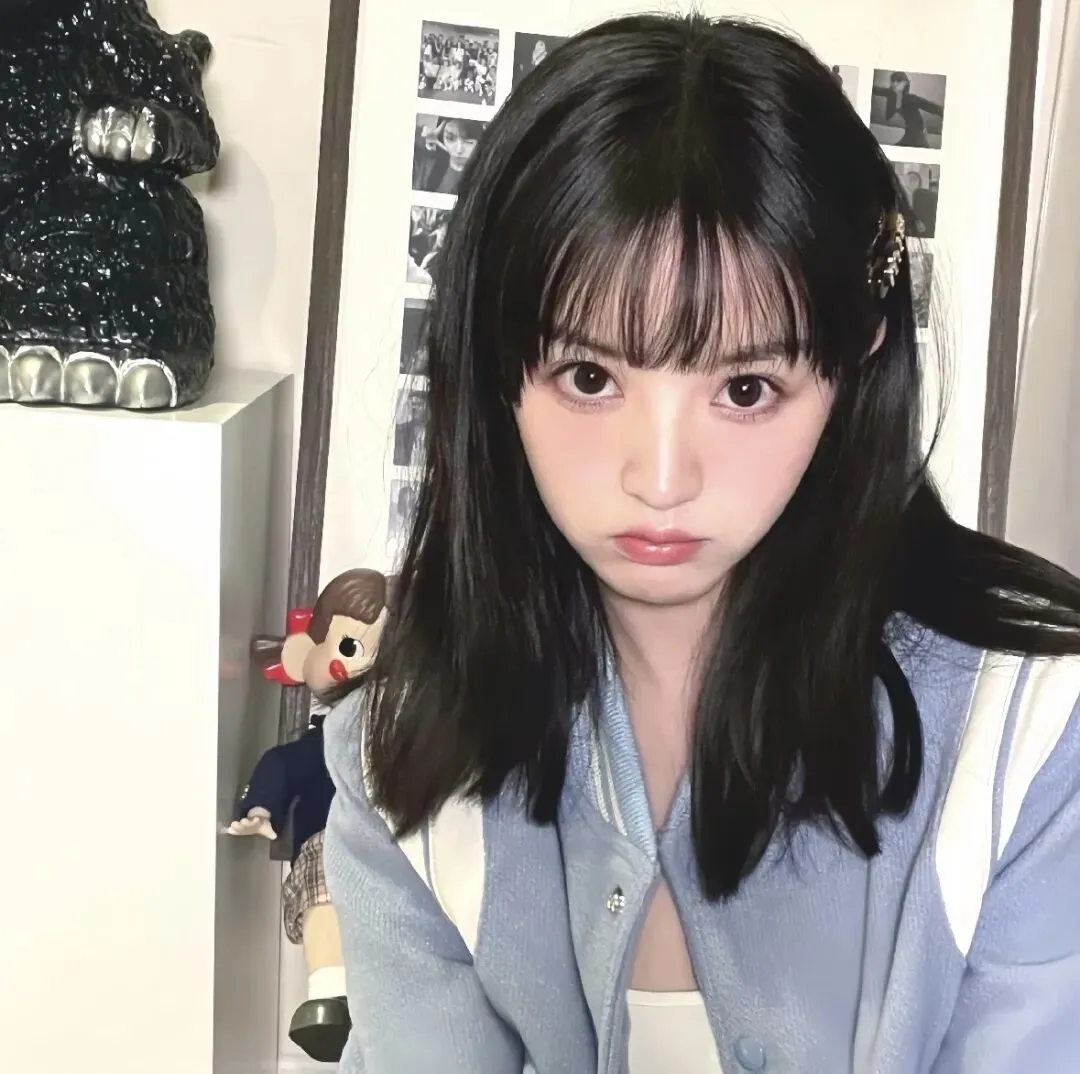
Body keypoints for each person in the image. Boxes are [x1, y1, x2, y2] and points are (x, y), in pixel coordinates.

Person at [323, 13, 1080, 1074]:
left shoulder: (1030, 740)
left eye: (747, 388)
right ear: (493, 367)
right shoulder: (398, 757)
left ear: (857, 362)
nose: (662, 477)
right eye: (590, 377)